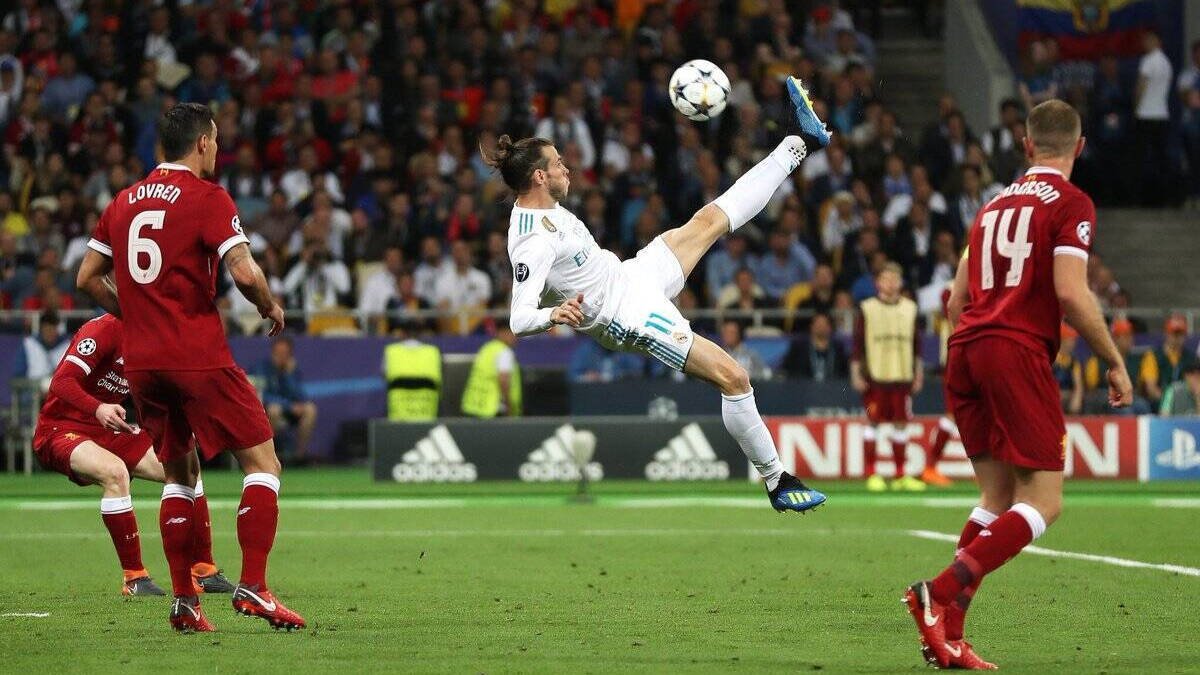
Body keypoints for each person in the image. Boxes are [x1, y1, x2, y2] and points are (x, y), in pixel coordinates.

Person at [489, 76, 830, 513]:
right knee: (735, 378)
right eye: (557, 164)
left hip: (630, 278)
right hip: (625, 315)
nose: (566, 168)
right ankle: (777, 480)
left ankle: (800, 142)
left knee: (708, 221)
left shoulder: (542, 206)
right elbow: (519, 319)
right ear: (540, 176)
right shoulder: (532, 239)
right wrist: (554, 314)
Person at [905, 100, 1132, 670]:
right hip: (1014, 349)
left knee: (996, 497)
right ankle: (937, 590)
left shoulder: (991, 205)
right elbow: (1072, 293)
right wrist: (1113, 359)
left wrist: (977, 348)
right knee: (1044, 502)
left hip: (966, 349)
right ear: (1078, 148)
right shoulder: (1072, 203)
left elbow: (955, 300)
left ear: (1027, 146)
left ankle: (950, 635)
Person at [77, 103, 305, 632]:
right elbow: (243, 269)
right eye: (217, 140)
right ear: (202, 142)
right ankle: (254, 587)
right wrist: (269, 304)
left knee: (180, 477)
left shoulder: (124, 200)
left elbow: (88, 276)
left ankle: (184, 600)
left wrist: (135, 313)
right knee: (264, 464)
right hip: (196, 356)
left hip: (143, 363)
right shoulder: (207, 197)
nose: (219, 149)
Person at [33, 314, 234, 596]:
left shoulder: (159, 335)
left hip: (111, 426)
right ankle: (134, 577)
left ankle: (203, 571)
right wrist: (98, 408)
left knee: (186, 466)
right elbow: (61, 383)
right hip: (61, 428)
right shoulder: (103, 328)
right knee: (115, 473)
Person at [851, 263, 924, 493]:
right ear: (878, 283)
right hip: (876, 375)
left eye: (895, 278)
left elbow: (917, 346)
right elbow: (857, 345)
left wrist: (918, 374)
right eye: (886, 278)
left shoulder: (910, 308)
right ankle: (872, 473)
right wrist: (856, 374)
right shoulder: (868, 308)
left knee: (901, 423)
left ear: (901, 283)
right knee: (873, 422)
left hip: (902, 374)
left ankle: (901, 474)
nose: (891, 283)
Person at [258, 337, 318, 464]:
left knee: (310, 409)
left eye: (285, 354)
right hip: (269, 413)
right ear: (272, 352)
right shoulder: (262, 369)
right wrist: (289, 406)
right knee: (274, 409)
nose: (281, 357)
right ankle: (269, 456)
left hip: (291, 414)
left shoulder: (292, 371)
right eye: (278, 353)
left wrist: (288, 375)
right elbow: (263, 395)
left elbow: (301, 396)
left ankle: (299, 456)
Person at [461, 326, 522, 418]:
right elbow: (503, 380)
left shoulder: (486, 348)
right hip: (493, 410)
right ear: (502, 333)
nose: (516, 338)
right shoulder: (504, 352)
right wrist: (509, 406)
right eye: (513, 334)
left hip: (473, 406)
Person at [1139, 315, 1196, 408]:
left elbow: (1195, 386)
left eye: (1180, 334)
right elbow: (1151, 389)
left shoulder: (1191, 358)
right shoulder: (1153, 356)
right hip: (1159, 402)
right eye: (1173, 333)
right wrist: (1169, 402)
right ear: (1166, 333)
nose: (1177, 337)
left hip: (1185, 403)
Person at [782, 312, 848, 382]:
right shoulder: (798, 348)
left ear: (830, 328)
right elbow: (789, 371)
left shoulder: (838, 349)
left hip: (833, 388)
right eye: (818, 324)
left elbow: (845, 373)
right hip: (804, 389)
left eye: (824, 325)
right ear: (811, 326)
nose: (821, 328)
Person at [1052, 324, 1084, 414]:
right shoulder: (1051, 359)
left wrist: (1076, 399)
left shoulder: (1073, 362)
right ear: (1063, 341)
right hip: (1051, 397)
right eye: (1071, 340)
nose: (1073, 343)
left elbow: (1078, 385)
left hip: (1067, 399)